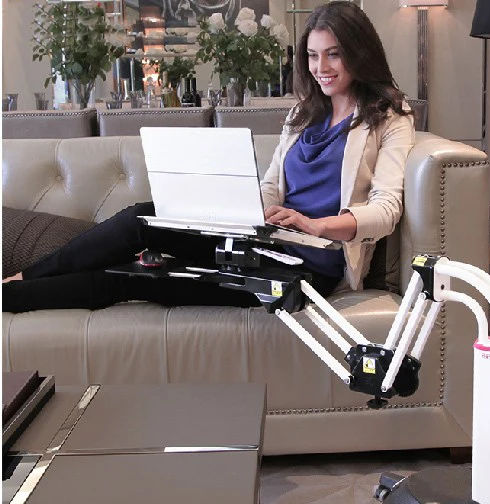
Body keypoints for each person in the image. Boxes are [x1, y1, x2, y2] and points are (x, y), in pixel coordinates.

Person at [3, 1, 415, 313]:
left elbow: (386, 209)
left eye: (334, 54)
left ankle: (10, 297)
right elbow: (272, 184)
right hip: (260, 241)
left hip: (307, 267)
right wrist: (252, 212)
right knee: (140, 219)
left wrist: (317, 224)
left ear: (359, 53)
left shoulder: (389, 118)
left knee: (135, 278)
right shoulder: (303, 113)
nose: (320, 66)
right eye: (312, 54)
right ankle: (23, 276)